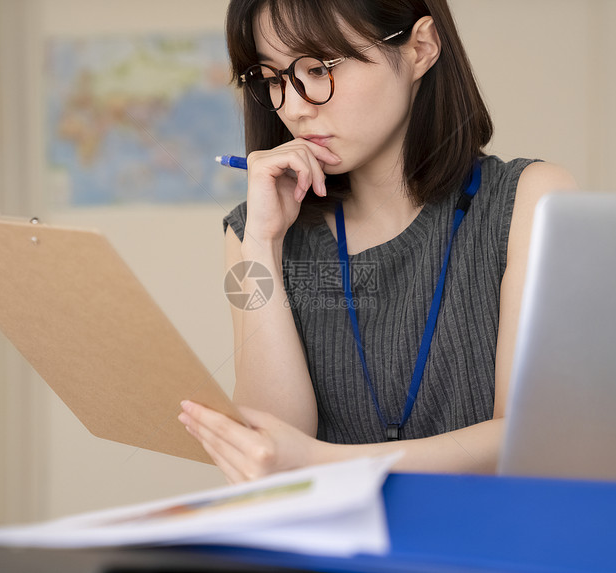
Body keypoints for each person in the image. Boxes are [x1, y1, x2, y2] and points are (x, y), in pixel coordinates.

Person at [178, 0, 578, 483]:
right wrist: (263, 243)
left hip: (485, 547)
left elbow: (532, 442)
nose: (296, 106)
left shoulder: (531, 203)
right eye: (274, 78)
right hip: (326, 551)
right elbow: (264, 455)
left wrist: (317, 462)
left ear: (421, 48)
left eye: (318, 68)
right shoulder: (252, 232)